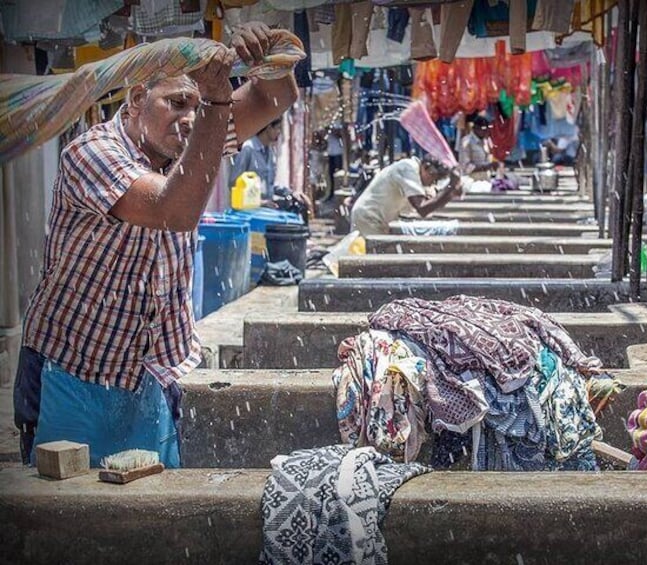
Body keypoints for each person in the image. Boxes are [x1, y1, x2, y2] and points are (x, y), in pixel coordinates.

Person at [13, 22, 300, 469]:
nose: (188, 117)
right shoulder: (91, 153)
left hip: (149, 372)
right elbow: (174, 210)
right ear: (134, 102)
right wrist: (214, 102)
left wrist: (264, 56)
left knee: (151, 504)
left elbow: (273, 99)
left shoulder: (191, 145)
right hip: (69, 370)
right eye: (176, 102)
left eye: (194, 105)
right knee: (64, 515)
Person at [350, 155, 461, 236]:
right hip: (368, 217)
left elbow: (431, 204)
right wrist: (450, 188)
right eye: (434, 179)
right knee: (367, 261)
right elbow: (422, 209)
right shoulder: (408, 168)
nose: (432, 184)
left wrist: (450, 194)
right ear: (426, 168)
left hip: (378, 221)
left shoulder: (417, 176)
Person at [229, 117, 283, 208]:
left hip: (266, 210)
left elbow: (270, 183)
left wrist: (291, 193)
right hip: (248, 212)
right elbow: (234, 183)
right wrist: (258, 202)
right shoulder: (248, 149)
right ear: (269, 128)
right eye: (278, 128)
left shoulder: (270, 152)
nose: (279, 132)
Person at [458, 114, 499, 192]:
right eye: (483, 129)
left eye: (487, 129)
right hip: (471, 182)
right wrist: (484, 167)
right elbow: (465, 166)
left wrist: (493, 165)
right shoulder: (466, 142)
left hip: (486, 181)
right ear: (475, 128)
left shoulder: (486, 141)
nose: (486, 131)